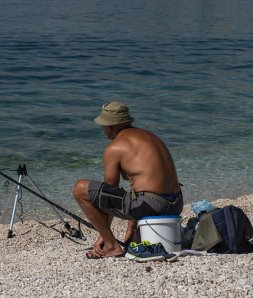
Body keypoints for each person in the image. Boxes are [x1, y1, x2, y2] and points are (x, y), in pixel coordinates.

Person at [73, 102, 183, 259]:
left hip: (151, 206)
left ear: (110, 126)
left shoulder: (115, 147)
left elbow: (108, 197)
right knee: (138, 194)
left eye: (102, 124)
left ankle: (112, 247)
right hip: (176, 204)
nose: (102, 128)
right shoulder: (151, 137)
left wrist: (104, 238)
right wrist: (131, 230)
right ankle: (127, 236)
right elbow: (138, 188)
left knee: (80, 188)